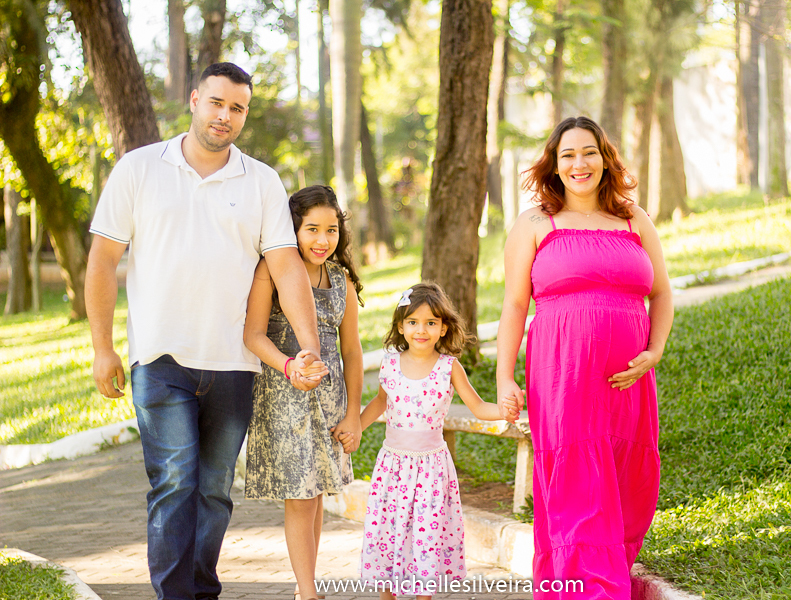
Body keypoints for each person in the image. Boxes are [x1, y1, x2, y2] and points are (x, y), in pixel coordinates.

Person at [84, 62, 327, 600]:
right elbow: (102, 260)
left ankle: (201, 590)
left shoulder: (261, 179)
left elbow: (286, 268)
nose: (225, 115)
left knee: (214, 491)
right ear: (194, 99)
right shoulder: (139, 168)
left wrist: (308, 347)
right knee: (174, 483)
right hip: (161, 357)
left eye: (237, 107)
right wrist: (103, 349)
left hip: (233, 365)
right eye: (216, 102)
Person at [495, 116, 674, 599]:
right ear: (554, 164)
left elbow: (661, 295)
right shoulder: (536, 223)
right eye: (568, 154)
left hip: (629, 384)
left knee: (630, 483)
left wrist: (653, 351)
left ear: (604, 158)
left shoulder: (635, 219)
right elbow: (514, 305)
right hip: (563, 380)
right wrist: (504, 378)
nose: (580, 163)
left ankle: (605, 578)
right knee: (578, 487)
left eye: (589, 152)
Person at [351, 283, 518, 600]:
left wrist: (504, 411)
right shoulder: (390, 363)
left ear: (443, 327)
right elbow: (379, 403)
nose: (421, 330)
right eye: (413, 322)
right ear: (401, 326)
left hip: (431, 471)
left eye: (430, 322)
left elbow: (478, 407)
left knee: (426, 539)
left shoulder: (449, 367)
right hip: (393, 467)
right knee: (391, 533)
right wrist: (355, 428)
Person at [243, 185, 364, 600]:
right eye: (311, 229)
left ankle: (304, 586)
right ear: (292, 228)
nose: (322, 240)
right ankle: (309, 593)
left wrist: (353, 415)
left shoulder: (340, 278)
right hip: (284, 397)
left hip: (328, 403)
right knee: (299, 496)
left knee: (313, 496)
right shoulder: (273, 269)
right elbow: (253, 335)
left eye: (331, 230)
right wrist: (289, 365)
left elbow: (351, 351)